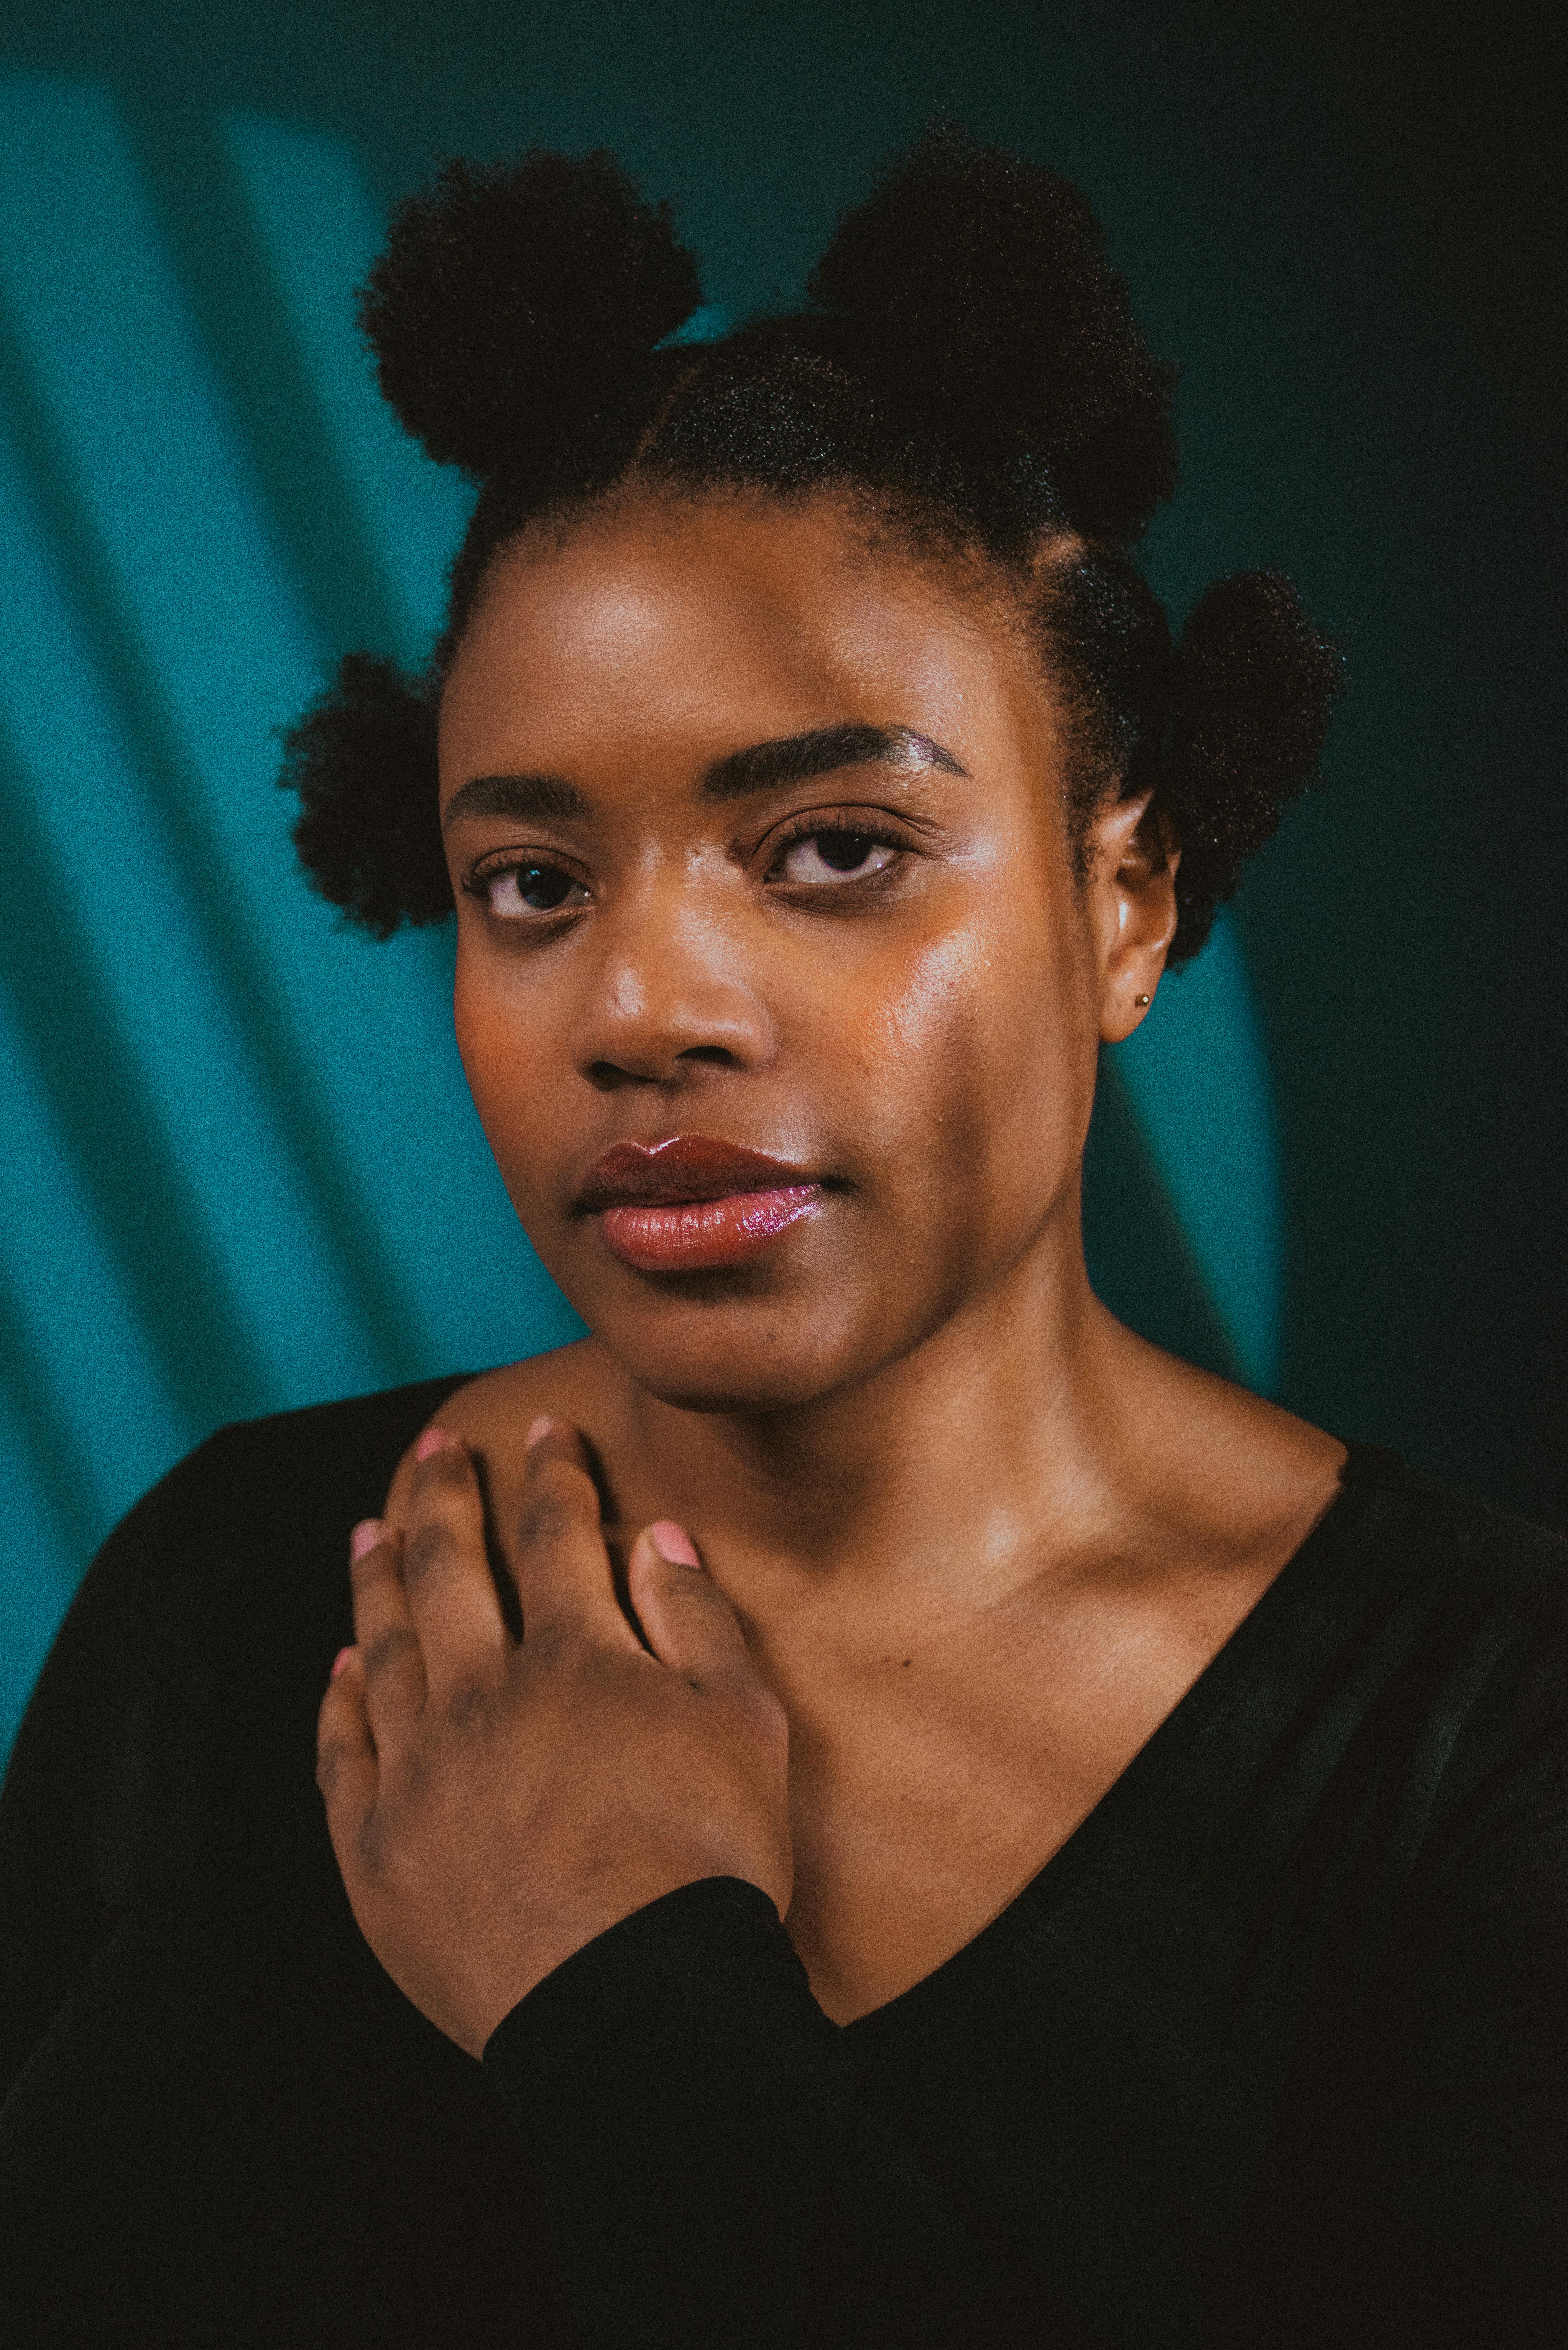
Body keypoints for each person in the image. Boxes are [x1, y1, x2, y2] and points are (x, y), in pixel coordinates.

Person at [0, 125, 1562, 2349]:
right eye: (531, 885)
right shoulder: (239, 1592)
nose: (642, 1014)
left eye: (832, 850)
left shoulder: (1478, 1749)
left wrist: (622, 1986)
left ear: (1128, 900)